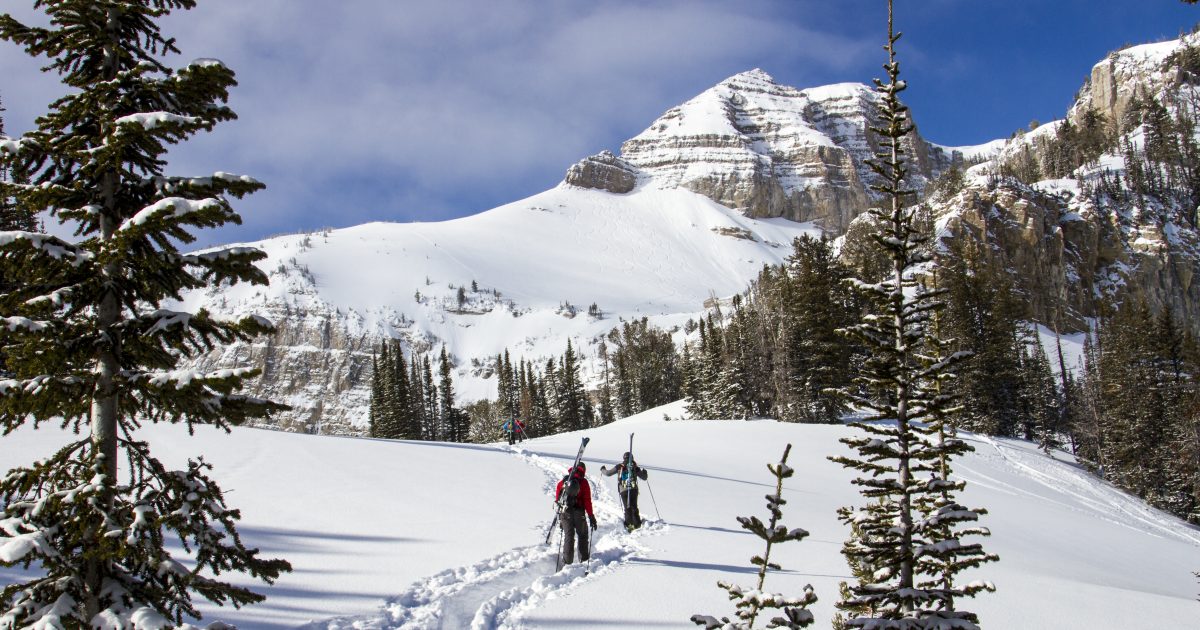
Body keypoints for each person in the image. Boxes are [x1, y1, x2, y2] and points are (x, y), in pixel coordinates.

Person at [554, 462, 597, 566]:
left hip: (565, 512)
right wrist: (591, 516)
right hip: (579, 513)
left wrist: (560, 517)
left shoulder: (565, 480)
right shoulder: (584, 482)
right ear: (583, 470)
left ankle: (567, 563)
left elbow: (558, 498)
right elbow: (587, 500)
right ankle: (584, 561)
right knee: (582, 535)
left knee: (569, 537)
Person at [601, 452, 648, 531]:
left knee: (627, 507)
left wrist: (602, 469)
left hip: (623, 490)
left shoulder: (619, 466)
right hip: (633, 489)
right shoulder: (635, 467)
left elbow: (608, 473)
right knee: (634, 506)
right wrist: (645, 472)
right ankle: (637, 524)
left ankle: (629, 525)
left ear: (624, 458)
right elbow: (644, 477)